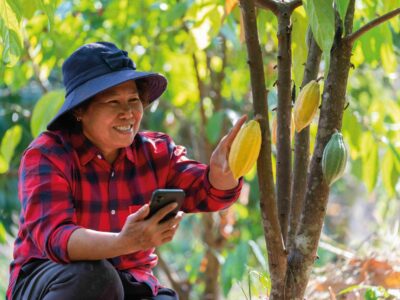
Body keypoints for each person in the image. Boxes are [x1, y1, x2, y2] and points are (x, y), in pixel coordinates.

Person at [7, 42, 246, 300]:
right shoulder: (48, 155)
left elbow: (207, 192)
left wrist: (223, 173)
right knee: (96, 276)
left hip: (130, 282)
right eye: (113, 102)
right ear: (80, 110)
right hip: (52, 280)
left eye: (134, 100)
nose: (128, 113)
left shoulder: (156, 152)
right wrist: (125, 241)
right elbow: (56, 238)